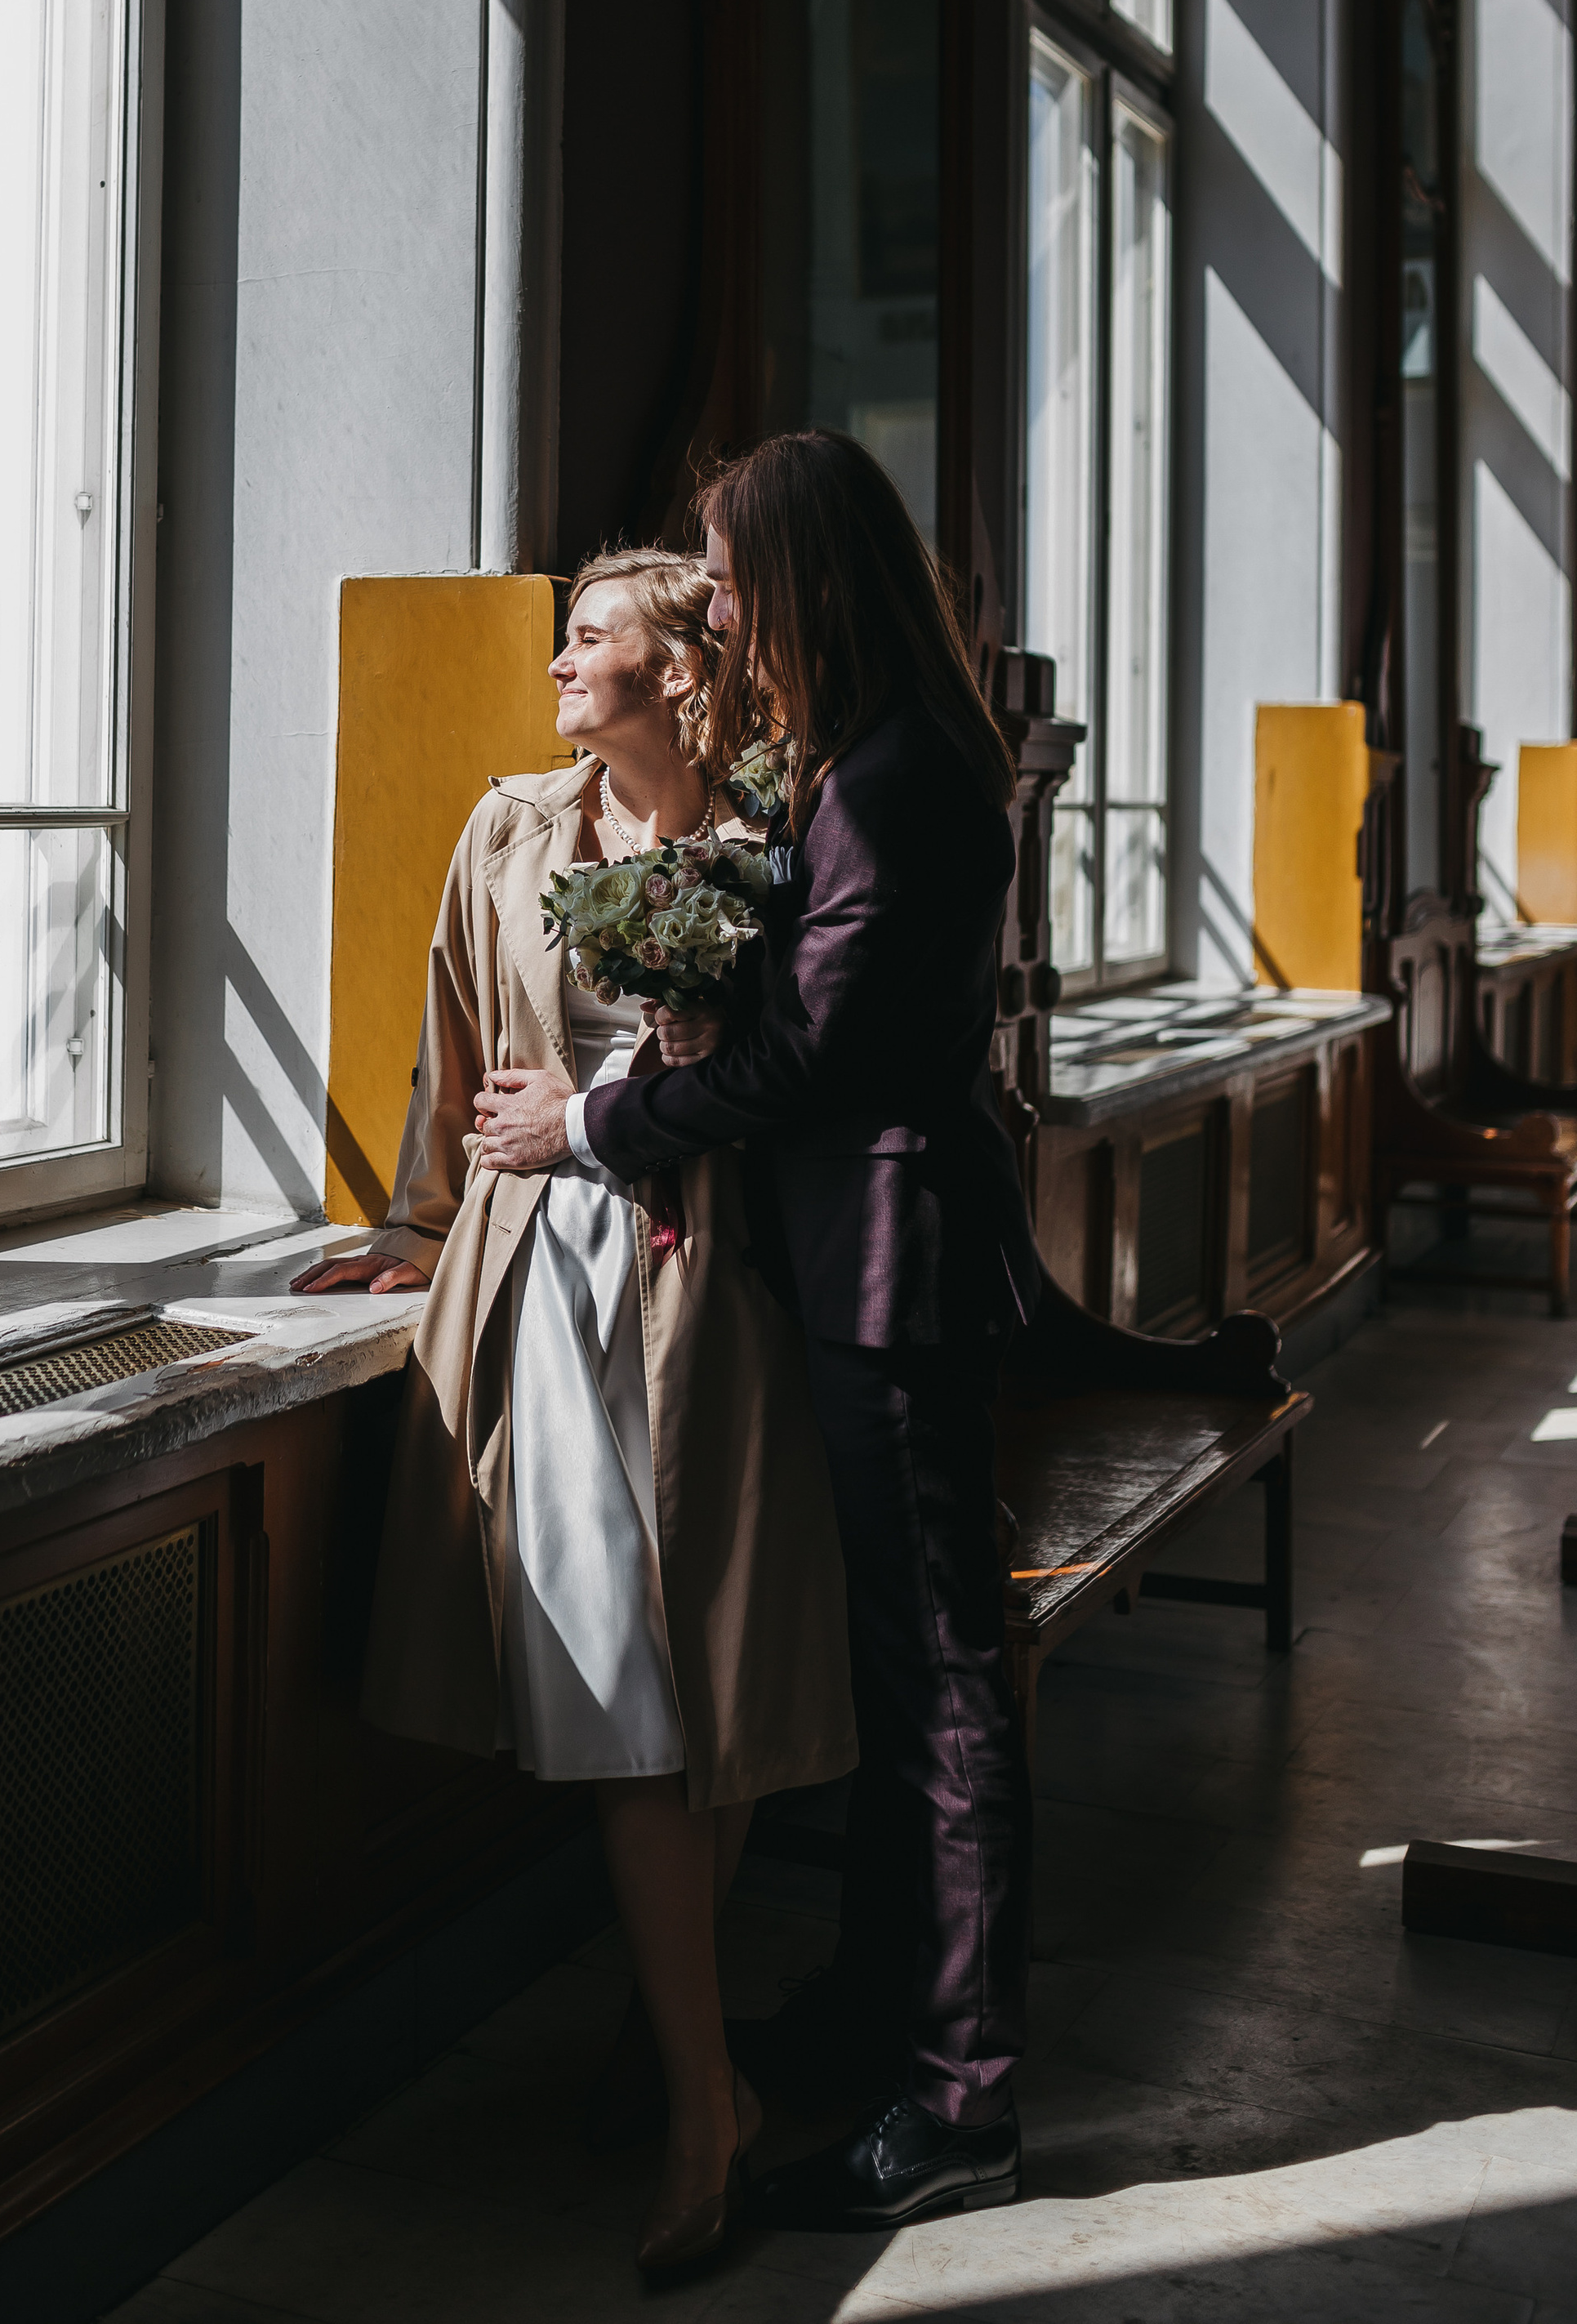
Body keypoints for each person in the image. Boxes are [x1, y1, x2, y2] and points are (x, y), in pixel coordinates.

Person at [477, 434, 1036, 2234]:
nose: (711, 608)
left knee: (941, 1690)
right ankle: (885, 2019)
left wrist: (583, 1125)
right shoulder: (874, 758)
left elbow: (817, 1059)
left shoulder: (882, 780)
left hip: (890, 1268)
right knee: (899, 1683)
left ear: (797, 573)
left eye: (724, 576)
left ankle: (958, 2107)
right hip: (853, 1262)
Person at [291, 547, 857, 2278]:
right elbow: (450, 1052)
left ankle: (682, 2057)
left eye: (592, 636)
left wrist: (643, 1113)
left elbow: (818, 1081)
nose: (557, 660)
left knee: (717, 1680)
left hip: (726, 1301)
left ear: (680, 671)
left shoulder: (774, 842)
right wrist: (413, 1225)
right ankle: (701, 2102)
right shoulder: (506, 831)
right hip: (552, 1296)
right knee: (623, 1692)